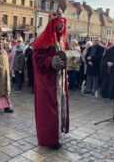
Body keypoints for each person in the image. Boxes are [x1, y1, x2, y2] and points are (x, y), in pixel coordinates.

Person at [33, 11, 69, 149]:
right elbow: (37, 60)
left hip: (59, 80)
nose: (62, 25)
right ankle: (49, 140)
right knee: (48, 111)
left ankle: (56, 135)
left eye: (64, 23)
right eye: (60, 22)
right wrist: (51, 61)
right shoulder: (43, 40)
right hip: (47, 82)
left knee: (58, 107)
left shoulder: (61, 40)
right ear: (54, 23)